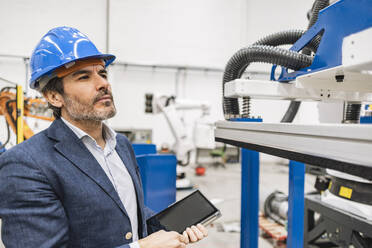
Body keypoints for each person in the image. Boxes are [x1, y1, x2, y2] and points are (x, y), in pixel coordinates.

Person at [0, 26, 208, 248]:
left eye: (102, 73)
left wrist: (171, 229)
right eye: (84, 77)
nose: (103, 83)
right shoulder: (25, 164)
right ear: (54, 96)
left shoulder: (121, 145)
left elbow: (125, 213)